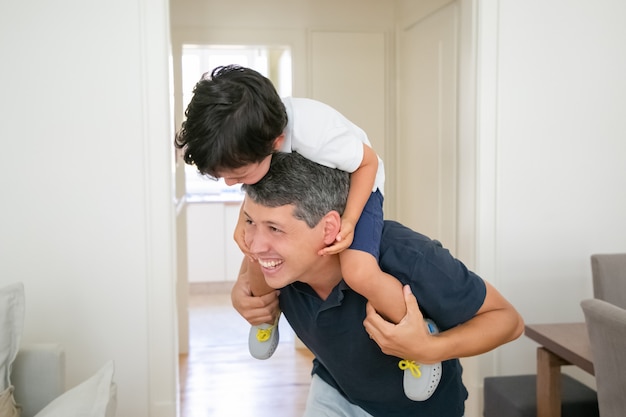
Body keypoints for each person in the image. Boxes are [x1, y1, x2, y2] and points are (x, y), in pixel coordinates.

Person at [174, 65, 434, 399]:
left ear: (276, 142)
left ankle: (419, 335)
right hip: (298, 185)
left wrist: (352, 220)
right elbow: (257, 181)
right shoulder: (249, 133)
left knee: (358, 271)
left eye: (237, 174)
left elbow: (367, 164)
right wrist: (246, 220)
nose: (229, 183)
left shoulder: (317, 133)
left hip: (359, 185)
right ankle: (265, 318)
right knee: (252, 248)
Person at [231, 151, 524, 416]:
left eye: (274, 228)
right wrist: (242, 292)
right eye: (250, 222)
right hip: (335, 389)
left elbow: (508, 321)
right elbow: (254, 256)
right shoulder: (275, 263)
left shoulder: (407, 256)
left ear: (329, 229)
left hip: (420, 410)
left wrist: (430, 349)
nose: (256, 245)